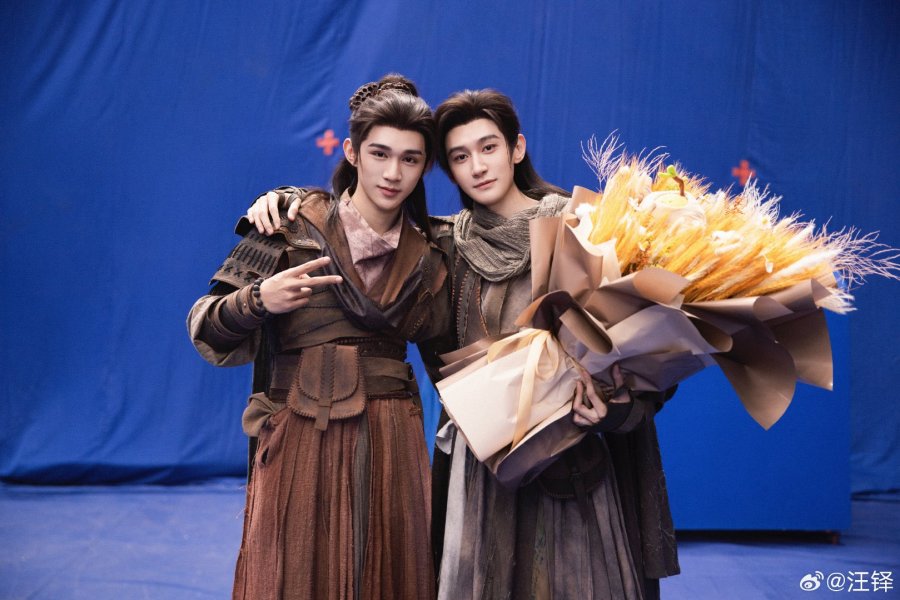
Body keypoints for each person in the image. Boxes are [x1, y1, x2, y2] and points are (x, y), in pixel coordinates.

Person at [248, 89, 680, 599]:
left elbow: (646, 352)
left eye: (488, 147)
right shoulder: (447, 245)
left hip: (574, 465)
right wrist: (287, 198)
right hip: (486, 470)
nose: (477, 166)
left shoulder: (584, 229)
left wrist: (611, 407)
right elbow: (354, 220)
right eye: (459, 156)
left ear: (517, 148)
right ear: (447, 170)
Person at [188, 75, 448, 600]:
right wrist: (259, 299)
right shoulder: (290, 226)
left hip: (392, 447)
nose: (392, 173)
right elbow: (205, 324)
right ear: (352, 152)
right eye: (379, 153)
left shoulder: (430, 257)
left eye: (410, 159)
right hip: (300, 440)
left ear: (425, 167)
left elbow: (453, 356)